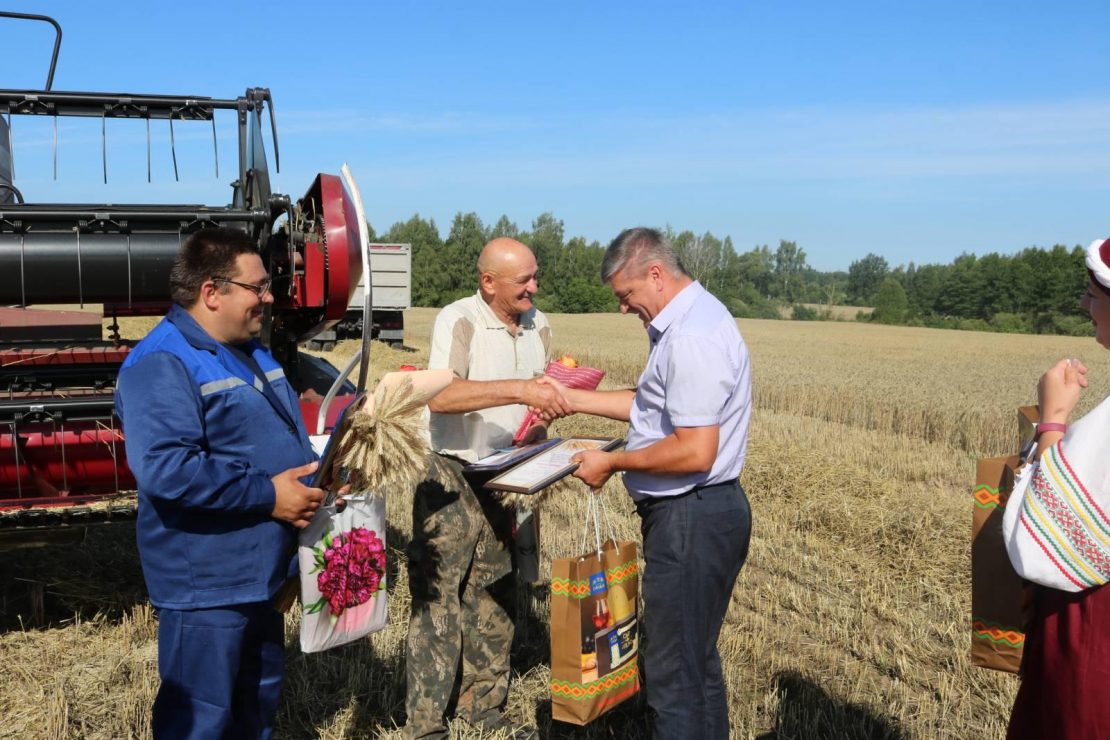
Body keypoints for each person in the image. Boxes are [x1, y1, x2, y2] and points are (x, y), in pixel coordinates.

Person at [116, 227, 325, 739]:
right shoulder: (162, 363)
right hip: (207, 587)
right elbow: (167, 469)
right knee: (201, 720)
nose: (269, 296)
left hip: (261, 578)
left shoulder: (251, 350)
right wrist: (271, 495)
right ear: (212, 292)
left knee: (254, 711)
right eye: (257, 287)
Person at [544, 227, 752, 739]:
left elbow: (693, 449)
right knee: (694, 662)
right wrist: (569, 399)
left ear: (655, 274)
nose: (623, 308)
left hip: (691, 519)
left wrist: (612, 464)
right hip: (701, 515)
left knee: (672, 675)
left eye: (626, 295)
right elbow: (650, 407)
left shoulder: (691, 338)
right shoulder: (691, 322)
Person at [404, 237, 568, 739]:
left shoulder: (539, 323)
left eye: (535, 277)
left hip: (509, 476)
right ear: (488, 281)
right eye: (524, 281)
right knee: (438, 602)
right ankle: (427, 726)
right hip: (451, 474)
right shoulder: (459, 319)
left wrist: (540, 426)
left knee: (496, 596)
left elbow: (538, 394)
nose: (534, 289)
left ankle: (484, 710)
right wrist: (519, 389)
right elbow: (441, 395)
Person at [1005, 237, 1110, 739]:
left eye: (1093, 292)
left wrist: (1052, 422)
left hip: (1093, 637)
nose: (1084, 305)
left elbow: (1054, 542)